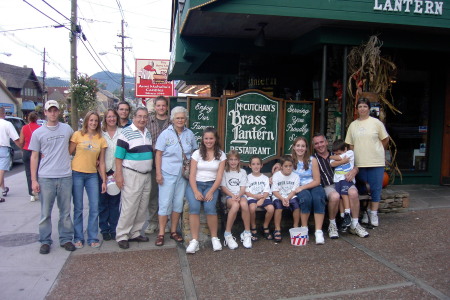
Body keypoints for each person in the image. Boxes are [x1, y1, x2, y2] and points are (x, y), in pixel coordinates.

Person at [29, 100, 75, 254]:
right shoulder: (38, 133)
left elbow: (74, 146)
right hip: (46, 177)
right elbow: (34, 156)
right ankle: (45, 240)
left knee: (65, 212)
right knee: (45, 213)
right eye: (50, 110)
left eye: (55, 110)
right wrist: (34, 180)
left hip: (65, 176)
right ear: (45, 113)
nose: (53, 113)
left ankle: (66, 239)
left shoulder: (67, 129)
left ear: (59, 112)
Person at [154, 106, 197, 246]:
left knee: (178, 203)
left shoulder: (190, 134)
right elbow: (158, 154)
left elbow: (195, 152)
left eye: (182, 118)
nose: (180, 120)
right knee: (165, 203)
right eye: (177, 118)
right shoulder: (165, 134)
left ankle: (173, 231)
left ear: (186, 119)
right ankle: (161, 233)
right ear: (172, 119)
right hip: (167, 173)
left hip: (183, 175)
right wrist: (158, 173)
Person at [312, 133, 368, 239]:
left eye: (321, 142)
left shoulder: (338, 152)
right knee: (335, 196)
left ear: (326, 142)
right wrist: (278, 166)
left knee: (353, 193)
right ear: (314, 146)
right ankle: (332, 225)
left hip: (346, 181)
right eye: (316, 143)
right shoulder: (313, 158)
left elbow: (352, 164)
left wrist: (355, 170)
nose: (320, 145)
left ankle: (355, 224)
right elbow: (296, 162)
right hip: (329, 185)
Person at [345, 97, 389, 227]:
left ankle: (373, 213)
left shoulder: (376, 123)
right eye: (360, 106)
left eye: (365, 106)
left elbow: (385, 139)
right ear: (357, 109)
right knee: (362, 189)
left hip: (375, 162)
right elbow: (350, 144)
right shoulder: (353, 125)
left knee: (376, 188)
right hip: (360, 163)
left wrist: (379, 150)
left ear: (369, 108)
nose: (362, 109)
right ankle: (365, 212)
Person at [115, 107, 153, 249]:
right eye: (139, 116)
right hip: (131, 174)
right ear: (134, 117)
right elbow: (118, 156)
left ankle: (135, 232)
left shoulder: (147, 132)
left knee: (142, 206)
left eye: (145, 117)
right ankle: (122, 235)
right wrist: (119, 175)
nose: (142, 119)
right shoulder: (126, 133)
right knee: (129, 206)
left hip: (146, 175)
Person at [185, 127, 226, 254]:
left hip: (211, 185)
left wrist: (211, 191)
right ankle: (194, 241)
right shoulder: (196, 154)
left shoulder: (221, 155)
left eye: (211, 138)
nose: (208, 141)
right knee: (194, 207)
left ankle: (214, 238)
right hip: (195, 184)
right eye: (206, 138)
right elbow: (192, 175)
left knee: (210, 207)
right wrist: (196, 191)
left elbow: (219, 177)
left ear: (216, 139)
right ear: (203, 140)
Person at [70, 111, 107, 249]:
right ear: (86, 121)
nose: (93, 123)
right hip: (77, 173)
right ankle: (78, 237)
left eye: (96, 121)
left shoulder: (101, 139)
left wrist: (104, 180)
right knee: (78, 207)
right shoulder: (77, 135)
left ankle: (92, 237)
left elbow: (102, 162)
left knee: (94, 207)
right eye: (91, 120)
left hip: (92, 175)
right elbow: (67, 152)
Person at [291, 137, 327, 245]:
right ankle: (304, 228)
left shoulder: (312, 160)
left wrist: (302, 187)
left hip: (312, 185)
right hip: (299, 187)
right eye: (298, 146)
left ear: (306, 148)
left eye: (303, 146)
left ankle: (318, 231)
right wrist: (276, 166)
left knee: (318, 198)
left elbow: (317, 180)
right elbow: (281, 170)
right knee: (305, 199)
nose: (300, 148)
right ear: (294, 147)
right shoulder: (290, 159)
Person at [145, 96, 171, 235]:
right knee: (153, 195)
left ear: (167, 107)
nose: (161, 108)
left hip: (168, 164)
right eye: (158, 105)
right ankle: (153, 222)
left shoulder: (172, 122)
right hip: (152, 163)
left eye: (163, 105)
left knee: (166, 196)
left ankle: (165, 223)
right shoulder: (148, 121)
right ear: (155, 107)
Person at [220, 150, 252, 249]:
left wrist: (239, 195)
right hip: (229, 196)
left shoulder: (242, 172)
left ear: (239, 161)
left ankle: (247, 233)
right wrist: (233, 195)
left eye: (235, 160)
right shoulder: (224, 172)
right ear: (227, 161)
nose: (233, 162)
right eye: (231, 160)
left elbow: (243, 187)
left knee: (243, 204)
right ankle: (228, 233)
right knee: (235, 205)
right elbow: (223, 187)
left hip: (240, 195)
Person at [98, 109, 121, 241]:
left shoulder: (122, 132)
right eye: (109, 117)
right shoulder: (100, 134)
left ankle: (113, 228)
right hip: (102, 171)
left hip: (116, 171)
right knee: (102, 202)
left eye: (113, 116)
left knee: (114, 201)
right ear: (105, 119)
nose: (111, 119)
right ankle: (104, 228)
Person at [271, 155, 301, 243]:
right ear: (281, 167)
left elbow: (294, 190)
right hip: (278, 196)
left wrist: (287, 198)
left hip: (290, 196)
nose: (288, 168)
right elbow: (275, 191)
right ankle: (277, 229)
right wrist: (282, 198)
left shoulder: (295, 176)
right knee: (278, 207)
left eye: (290, 166)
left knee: (296, 206)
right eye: (286, 166)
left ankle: (295, 226)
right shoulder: (276, 175)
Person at [246, 155, 274, 240]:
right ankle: (253, 226)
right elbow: (246, 191)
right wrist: (255, 196)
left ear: (261, 165)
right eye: (253, 164)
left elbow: (267, 191)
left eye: (258, 164)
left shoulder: (265, 178)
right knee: (252, 208)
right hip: (252, 198)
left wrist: (262, 199)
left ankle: (265, 226)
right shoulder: (247, 177)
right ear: (250, 166)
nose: (256, 166)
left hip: (264, 197)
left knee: (271, 208)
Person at [329, 139, 355, 229]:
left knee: (344, 194)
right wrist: (342, 161)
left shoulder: (350, 152)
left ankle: (347, 213)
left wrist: (331, 157)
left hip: (346, 178)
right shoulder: (335, 156)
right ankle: (343, 216)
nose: (336, 155)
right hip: (337, 180)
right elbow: (332, 164)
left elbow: (339, 158)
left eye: (339, 153)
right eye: (335, 153)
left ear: (344, 149)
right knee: (340, 197)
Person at [18, 112, 40, 202]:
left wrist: (22, 148)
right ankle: (38, 190)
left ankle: (31, 193)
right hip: (37, 151)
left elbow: (21, 141)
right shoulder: (39, 128)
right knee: (38, 171)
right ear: (37, 118)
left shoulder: (24, 128)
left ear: (28, 118)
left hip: (27, 150)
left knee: (28, 172)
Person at [0, 107, 20, 202]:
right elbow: (15, 138)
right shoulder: (7, 124)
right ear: (4, 114)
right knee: (1, 171)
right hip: (3, 148)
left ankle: (4, 189)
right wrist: (22, 147)